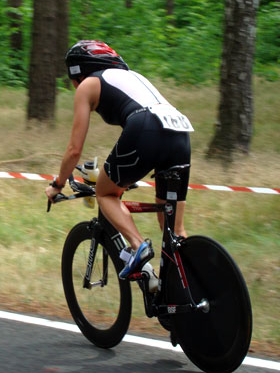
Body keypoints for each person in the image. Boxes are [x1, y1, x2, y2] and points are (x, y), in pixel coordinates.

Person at [45, 40, 192, 289]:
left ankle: (137, 246)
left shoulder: (88, 84)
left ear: (78, 72)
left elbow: (74, 150)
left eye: (72, 79)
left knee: (105, 192)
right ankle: (185, 291)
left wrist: (58, 184)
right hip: (180, 132)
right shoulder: (133, 77)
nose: (73, 86)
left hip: (147, 127)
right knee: (174, 231)